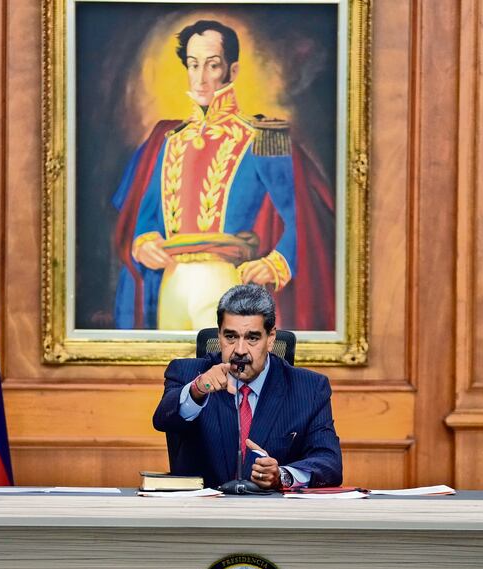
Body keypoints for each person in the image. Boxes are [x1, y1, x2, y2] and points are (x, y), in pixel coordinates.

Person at [112, 19, 336, 331]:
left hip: (224, 281)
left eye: (212, 65)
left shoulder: (263, 137)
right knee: (172, 375)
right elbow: (146, 217)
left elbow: (301, 217)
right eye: (193, 65)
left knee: (223, 375)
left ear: (232, 71)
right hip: (171, 282)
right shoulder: (167, 139)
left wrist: (276, 262)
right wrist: (145, 241)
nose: (201, 78)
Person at [152, 284, 342, 489]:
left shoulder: (309, 389)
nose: (240, 350)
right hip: (201, 514)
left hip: (272, 515)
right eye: (231, 337)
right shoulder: (187, 374)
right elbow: (163, 420)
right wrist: (198, 389)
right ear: (219, 336)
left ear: (271, 339)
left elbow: (329, 463)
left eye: (252, 338)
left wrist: (282, 475)